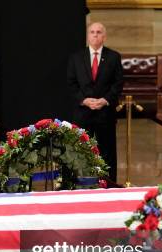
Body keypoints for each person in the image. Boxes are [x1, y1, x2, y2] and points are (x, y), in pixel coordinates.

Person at [66, 22, 123, 182]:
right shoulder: (76, 58)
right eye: (92, 32)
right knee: (82, 151)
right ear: (88, 36)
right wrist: (84, 100)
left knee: (107, 152)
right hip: (83, 112)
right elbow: (71, 83)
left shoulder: (113, 57)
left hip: (105, 113)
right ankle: (82, 183)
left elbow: (118, 84)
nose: (95, 35)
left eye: (99, 32)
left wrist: (105, 100)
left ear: (104, 36)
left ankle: (109, 184)